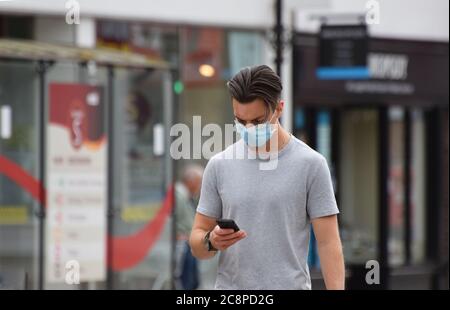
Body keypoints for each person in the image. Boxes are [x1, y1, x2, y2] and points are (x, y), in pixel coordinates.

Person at [189, 65, 345, 290]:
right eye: (240, 121)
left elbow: (329, 242)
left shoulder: (312, 165)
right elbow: (197, 242)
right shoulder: (219, 165)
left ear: (279, 109)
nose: (248, 128)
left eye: (258, 121)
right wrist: (210, 241)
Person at [175, 164, 204, 290]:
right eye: (199, 182)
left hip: (188, 241)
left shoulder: (187, 196)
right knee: (187, 280)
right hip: (182, 243)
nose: (200, 186)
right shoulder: (178, 195)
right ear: (190, 181)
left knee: (193, 281)